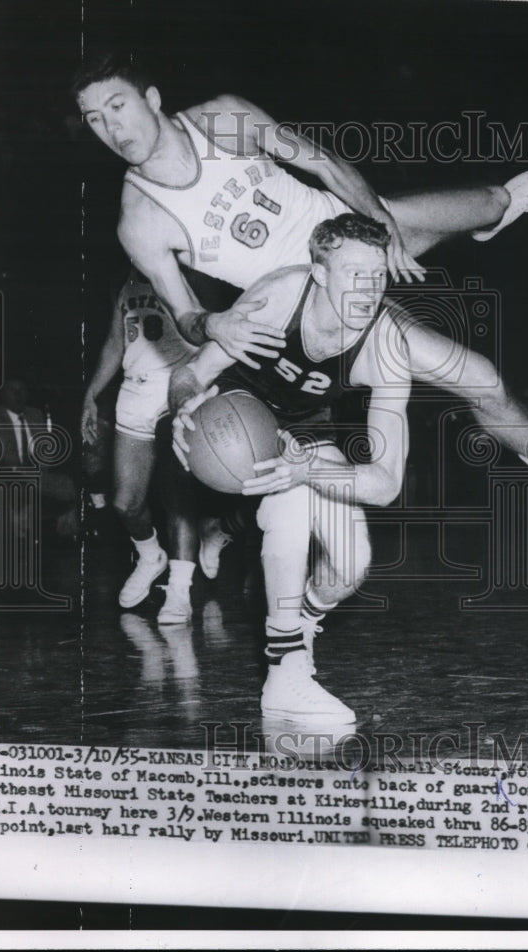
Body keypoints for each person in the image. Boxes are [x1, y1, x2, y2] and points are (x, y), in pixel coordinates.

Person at [73, 54, 528, 535]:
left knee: (494, 201)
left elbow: (321, 161)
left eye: (117, 106)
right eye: (94, 120)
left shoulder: (220, 119)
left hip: (349, 231)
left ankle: (488, 219)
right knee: (478, 377)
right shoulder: (140, 219)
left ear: (150, 97)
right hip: (308, 299)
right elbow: (188, 315)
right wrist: (213, 325)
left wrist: (378, 221)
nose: (111, 128)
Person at [171, 214, 412, 724]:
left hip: (309, 435)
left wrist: (310, 472)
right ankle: (284, 672)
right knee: (292, 503)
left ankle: (298, 622)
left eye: (379, 276)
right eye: (354, 274)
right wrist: (183, 407)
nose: (369, 291)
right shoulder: (279, 297)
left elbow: (386, 484)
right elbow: (191, 372)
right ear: (320, 274)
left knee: (350, 566)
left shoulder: (388, 347)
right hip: (234, 418)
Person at [81, 267, 201, 622]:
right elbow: (115, 343)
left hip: (177, 384)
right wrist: (91, 395)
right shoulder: (126, 283)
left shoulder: (186, 273)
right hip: (134, 388)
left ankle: (179, 589)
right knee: (124, 503)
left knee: (178, 495)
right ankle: (151, 557)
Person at [0, 378, 78, 541]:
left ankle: (65, 534)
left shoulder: (35, 414)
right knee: (17, 488)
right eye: (13, 390)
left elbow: (45, 448)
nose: (18, 394)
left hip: (36, 473)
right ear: (2, 395)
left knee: (67, 484)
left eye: (22, 390)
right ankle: (18, 539)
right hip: (8, 473)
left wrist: (43, 466)